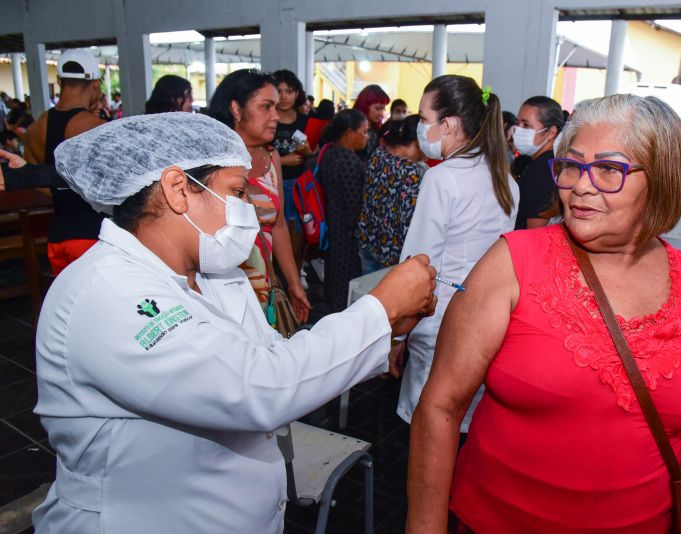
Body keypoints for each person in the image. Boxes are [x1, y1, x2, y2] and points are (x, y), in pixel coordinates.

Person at [29, 112, 437, 534]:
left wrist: (388, 327)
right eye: (237, 192)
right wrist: (378, 310)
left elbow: (273, 355)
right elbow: (259, 387)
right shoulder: (105, 291)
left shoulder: (216, 275)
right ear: (177, 190)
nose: (250, 209)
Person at [406, 93, 681, 534]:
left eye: (609, 169)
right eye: (572, 165)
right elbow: (439, 407)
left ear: (661, 180)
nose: (581, 186)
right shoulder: (513, 263)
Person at [397, 75, 519, 433]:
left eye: (423, 117)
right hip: (486, 317)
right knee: (465, 424)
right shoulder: (505, 180)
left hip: (437, 320)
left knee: (428, 424)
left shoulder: (442, 179)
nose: (420, 127)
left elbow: (418, 265)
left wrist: (398, 335)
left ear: (447, 124)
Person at [208, 69, 311, 324]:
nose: (276, 116)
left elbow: (277, 226)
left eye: (276, 107)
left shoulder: (271, 156)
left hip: (263, 285)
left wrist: (293, 283)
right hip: (222, 289)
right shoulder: (212, 161)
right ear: (236, 108)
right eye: (266, 106)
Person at [21, 48, 106, 275]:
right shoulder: (96, 128)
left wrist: (62, 191)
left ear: (59, 80)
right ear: (95, 84)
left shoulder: (35, 129)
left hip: (58, 237)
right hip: (94, 236)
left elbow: (38, 183)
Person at [316, 109, 370, 313]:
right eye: (364, 132)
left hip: (332, 225)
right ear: (349, 133)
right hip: (347, 233)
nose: (367, 137)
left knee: (334, 275)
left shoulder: (329, 151)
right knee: (347, 280)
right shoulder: (348, 160)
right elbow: (354, 205)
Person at [357, 115, 425, 274]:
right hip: (392, 254)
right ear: (418, 143)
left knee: (368, 293)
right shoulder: (411, 173)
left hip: (369, 240)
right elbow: (408, 222)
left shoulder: (379, 153)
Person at [271, 69, 312, 271]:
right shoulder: (269, 119)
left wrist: (308, 151)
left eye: (289, 91)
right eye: (279, 91)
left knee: (299, 230)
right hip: (274, 182)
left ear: (297, 94)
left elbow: (313, 152)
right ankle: (278, 272)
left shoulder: (305, 121)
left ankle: (296, 268)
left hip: (300, 184)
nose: (284, 96)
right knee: (275, 230)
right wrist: (283, 160)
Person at [512, 96, 566, 230]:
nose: (518, 130)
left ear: (550, 132)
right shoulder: (538, 162)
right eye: (517, 123)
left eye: (526, 125)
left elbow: (535, 232)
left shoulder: (543, 171)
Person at [353, 84, 389, 161]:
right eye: (378, 108)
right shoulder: (354, 130)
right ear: (364, 106)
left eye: (383, 109)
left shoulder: (376, 130)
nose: (381, 113)